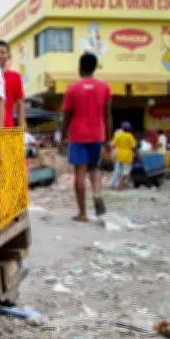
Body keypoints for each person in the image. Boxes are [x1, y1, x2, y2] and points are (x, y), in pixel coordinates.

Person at [59, 52, 112, 221]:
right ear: (95, 68)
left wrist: (62, 138)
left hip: (78, 136)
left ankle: (83, 213)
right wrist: (108, 139)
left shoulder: (72, 88)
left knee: (79, 173)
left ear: (79, 68)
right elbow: (108, 115)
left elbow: (66, 116)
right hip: (98, 135)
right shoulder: (105, 88)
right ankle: (96, 193)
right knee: (95, 169)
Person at [0, 40, 25, 129]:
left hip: (7, 129)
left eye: (2, 52)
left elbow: (20, 104)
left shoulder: (15, 77)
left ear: (9, 56)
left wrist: (22, 129)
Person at [109, 121, 137, 189]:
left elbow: (112, 145)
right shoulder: (130, 136)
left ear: (123, 128)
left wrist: (112, 152)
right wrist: (137, 154)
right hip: (127, 155)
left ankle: (118, 184)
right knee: (126, 172)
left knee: (119, 170)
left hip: (119, 154)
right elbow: (133, 147)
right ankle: (120, 185)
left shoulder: (118, 135)